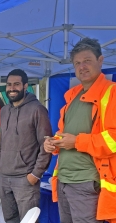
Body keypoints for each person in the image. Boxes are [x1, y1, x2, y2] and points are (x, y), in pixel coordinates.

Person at [44, 38, 116, 223]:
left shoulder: (112, 93)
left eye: (87, 61)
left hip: (86, 183)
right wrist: (54, 143)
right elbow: (64, 133)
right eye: (77, 63)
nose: (82, 66)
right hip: (63, 180)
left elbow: (113, 139)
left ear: (100, 61)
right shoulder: (72, 96)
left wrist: (76, 142)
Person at [0, 69, 52, 223]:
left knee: (29, 221)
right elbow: (2, 140)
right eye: (9, 85)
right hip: (3, 177)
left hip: (24, 180)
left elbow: (46, 144)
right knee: (10, 220)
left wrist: (35, 175)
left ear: (25, 86)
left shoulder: (37, 109)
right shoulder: (4, 111)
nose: (12, 88)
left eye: (16, 84)